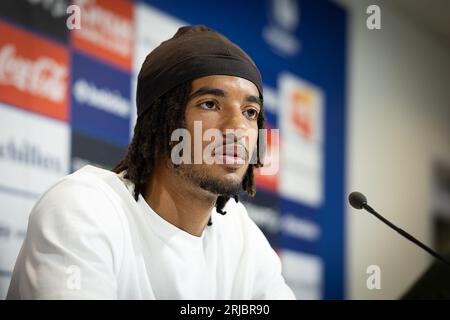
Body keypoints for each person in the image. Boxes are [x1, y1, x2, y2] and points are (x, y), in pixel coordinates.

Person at [7, 25, 296, 299]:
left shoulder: (240, 232)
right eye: (209, 104)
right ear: (161, 121)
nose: (237, 129)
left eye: (249, 112)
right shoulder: (84, 206)